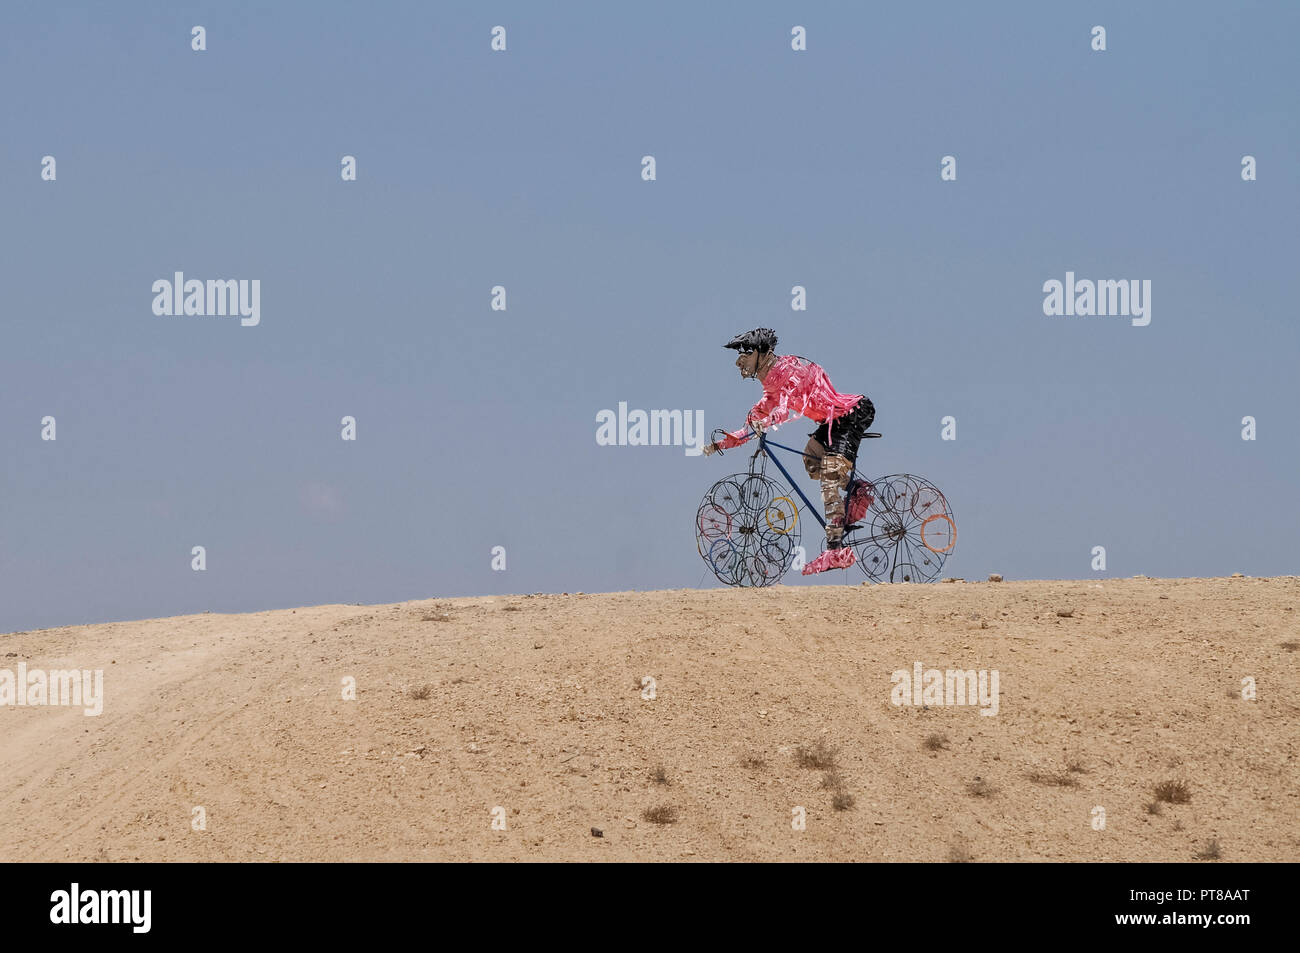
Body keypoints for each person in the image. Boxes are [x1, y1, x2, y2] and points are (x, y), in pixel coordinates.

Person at [702, 328, 875, 574]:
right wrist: (721, 444)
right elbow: (752, 424)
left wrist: (765, 422)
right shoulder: (770, 386)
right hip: (830, 423)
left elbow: (782, 412)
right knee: (812, 462)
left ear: (764, 353)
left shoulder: (787, 370)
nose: (740, 360)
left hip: (851, 414)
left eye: (747, 353)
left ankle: (836, 551)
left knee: (829, 477)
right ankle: (857, 491)